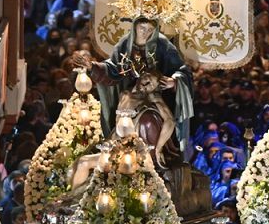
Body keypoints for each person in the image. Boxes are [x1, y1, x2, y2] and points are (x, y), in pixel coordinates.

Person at [78, 16, 195, 153]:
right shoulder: (125, 44)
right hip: (130, 93)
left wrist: (174, 81)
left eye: (150, 29)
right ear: (135, 27)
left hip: (156, 96)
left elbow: (183, 71)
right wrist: (93, 67)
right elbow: (112, 69)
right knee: (122, 124)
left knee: (149, 121)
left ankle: (153, 155)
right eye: (142, 28)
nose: (145, 33)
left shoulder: (163, 45)